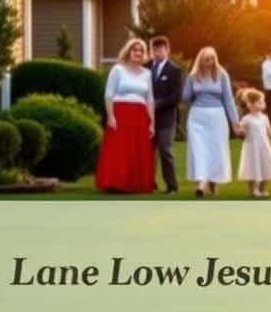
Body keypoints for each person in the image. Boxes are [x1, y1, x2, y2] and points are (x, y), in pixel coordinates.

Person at [95, 38, 155, 193]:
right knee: (119, 149)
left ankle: (134, 184)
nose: (138, 53)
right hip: (120, 113)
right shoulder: (117, 69)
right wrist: (111, 116)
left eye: (141, 51)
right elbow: (109, 94)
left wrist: (152, 122)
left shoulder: (147, 74)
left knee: (136, 150)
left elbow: (149, 99)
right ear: (128, 51)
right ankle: (115, 183)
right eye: (135, 50)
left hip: (140, 116)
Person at [182, 47, 243, 197]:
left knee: (216, 150)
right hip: (197, 117)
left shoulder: (222, 75)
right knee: (198, 149)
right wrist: (185, 85)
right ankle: (201, 184)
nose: (209, 60)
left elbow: (228, 100)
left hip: (217, 117)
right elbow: (185, 97)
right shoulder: (193, 76)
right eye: (206, 57)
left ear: (215, 59)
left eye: (212, 57)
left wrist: (236, 123)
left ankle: (213, 183)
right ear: (200, 59)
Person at [147, 35, 183, 194]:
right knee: (148, 152)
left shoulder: (175, 70)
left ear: (167, 50)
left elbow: (176, 96)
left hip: (167, 118)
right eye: (154, 50)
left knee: (165, 151)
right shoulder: (145, 68)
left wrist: (157, 104)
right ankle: (149, 184)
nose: (157, 53)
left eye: (160, 49)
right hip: (147, 118)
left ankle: (172, 186)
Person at [238, 88, 271, 198]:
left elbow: (269, 130)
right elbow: (240, 130)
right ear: (250, 104)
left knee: (265, 166)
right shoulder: (246, 119)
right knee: (253, 167)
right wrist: (241, 131)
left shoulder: (264, 118)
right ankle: (253, 190)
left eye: (262, 101)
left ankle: (262, 189)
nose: (263, 104)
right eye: (260, 102)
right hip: (252, 147)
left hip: (264, 146)